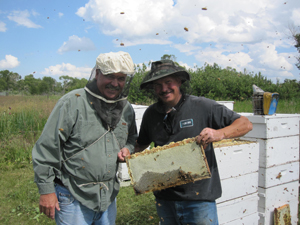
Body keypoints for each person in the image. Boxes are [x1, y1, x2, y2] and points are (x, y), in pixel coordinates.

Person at [134, 59, 253, 225]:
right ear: (153, 88)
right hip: (164, 198)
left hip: (199, 200)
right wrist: (126, 150)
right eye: (158, 85)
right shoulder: (151, 114)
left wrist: (219, 133)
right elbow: (141, 144)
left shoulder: (203, 106)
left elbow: (245, 124)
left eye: (168, 82)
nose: (164, 89)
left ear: (179, 81)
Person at [32, 51, 138, 225]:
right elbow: (47, 147)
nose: (115, 83)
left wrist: (127, 148)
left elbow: (132, 138)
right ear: (97, 74)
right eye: (110, 76)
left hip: (108, 195)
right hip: (72, 195)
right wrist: (46, 191)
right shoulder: (72, 102)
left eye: (121, 78)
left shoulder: (126, 109)